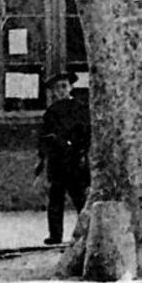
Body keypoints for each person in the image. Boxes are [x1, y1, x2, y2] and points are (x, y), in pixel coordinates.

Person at [36, 73, 91, 245]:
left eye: (64, 86)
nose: (61, 91)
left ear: (71, 87)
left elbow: (87, 133)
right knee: (55, 200)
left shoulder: (81, 109)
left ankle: (87, 231)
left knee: (80, 199)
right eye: (56, 88)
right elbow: (44, 138)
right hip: (57, 161)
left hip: (75, 160)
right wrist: (44, 158)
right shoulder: (51, 113)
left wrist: (80, 149)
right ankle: (55, 235)